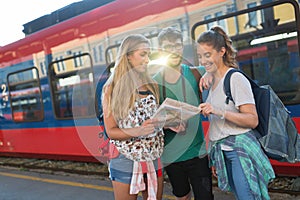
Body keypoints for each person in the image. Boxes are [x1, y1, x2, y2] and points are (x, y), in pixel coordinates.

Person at [197, 25, 275, 200]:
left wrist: (218, 111)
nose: (202, 61)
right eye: (200, 56)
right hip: (223, 151)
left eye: (207, 55)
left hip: (239, 150)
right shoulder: (211, 81)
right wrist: (214, 156)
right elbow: (217, 125)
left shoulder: (235, 78)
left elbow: (252, 120)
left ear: (222, 51)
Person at [153, 27, 214, 200]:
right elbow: (149, 121)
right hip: (171, 155)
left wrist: (211, 73)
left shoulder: (196, 73)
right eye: (168, 46)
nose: (173, 50)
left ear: (182, 47)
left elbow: (226, 66)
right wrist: (167, 123)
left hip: (198, 152)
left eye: (177, 45)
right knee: (183, 197)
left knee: (206, 197)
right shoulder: (154, 83)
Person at [101, 34, 164, 200]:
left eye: (148, 55)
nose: (147, 59)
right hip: (125, 159)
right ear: (128, 56)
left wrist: (169, 123)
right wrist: (139, 130)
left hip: (153, 155)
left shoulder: (151, 84)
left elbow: (153, 120)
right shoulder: (111, 88)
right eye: (142, 54)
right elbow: (111, 131)